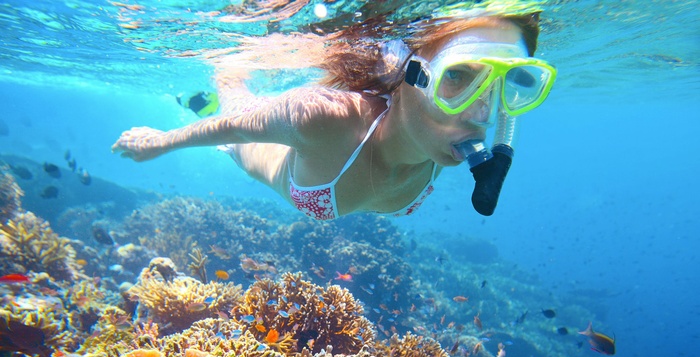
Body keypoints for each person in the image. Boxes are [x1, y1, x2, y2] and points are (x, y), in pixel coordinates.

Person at [112, 13, 556, 219]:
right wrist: (163, 142)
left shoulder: (438, 140)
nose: (482, 112)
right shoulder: (323, 118)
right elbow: (234, 127)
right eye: (458, 75)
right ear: (407, 72)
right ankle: (226, 76)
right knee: (233, 95)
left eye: (508, 83)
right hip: (252, 142)